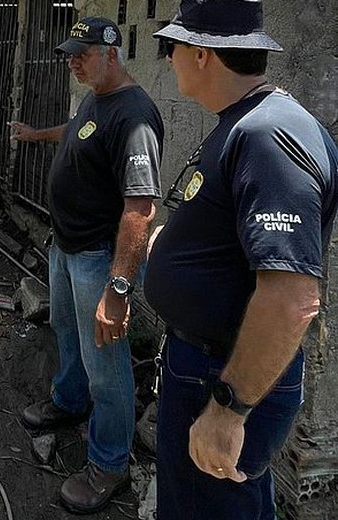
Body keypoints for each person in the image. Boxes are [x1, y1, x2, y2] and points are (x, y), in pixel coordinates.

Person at [144, 1, 338, 518]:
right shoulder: (245, 123)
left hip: (220, 376)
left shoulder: (268, 135)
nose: (168, 59)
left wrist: (228, 411)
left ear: (203, 54)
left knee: (210, 505)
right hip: (206, 364)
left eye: (172, 47)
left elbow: (292, 297)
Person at [10, 17, 163, 514]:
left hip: (98, 257)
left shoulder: (136, 114)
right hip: (66, 246)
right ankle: (68, 401)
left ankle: (109, 463)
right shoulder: (95, 100)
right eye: (70, 53)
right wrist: (35, 135)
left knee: (107, 365)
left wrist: (118, 290)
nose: (73, 61)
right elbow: (76, 134)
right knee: (66, 330)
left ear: (112, 52)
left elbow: (141, 207)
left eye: (82, 52)